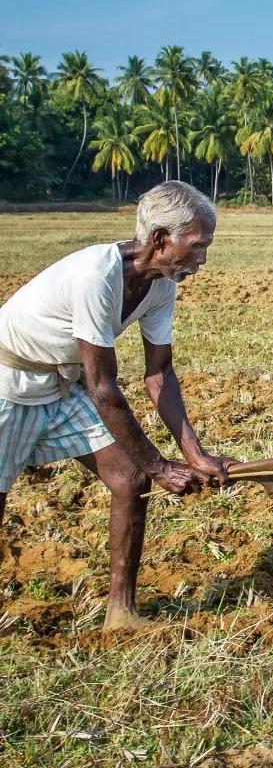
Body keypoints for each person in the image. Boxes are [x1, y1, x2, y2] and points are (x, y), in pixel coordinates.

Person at [0, 181, 235, 630]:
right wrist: (160, 467)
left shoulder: (162, 286)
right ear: (161, 238)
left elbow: (159, 375)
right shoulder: (96, 275)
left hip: (59, 385)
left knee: (129, 480)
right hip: (10, 381)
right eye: (198, 245)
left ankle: (120, 612)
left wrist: (194, 453)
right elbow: (103, 388)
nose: (203, 257)